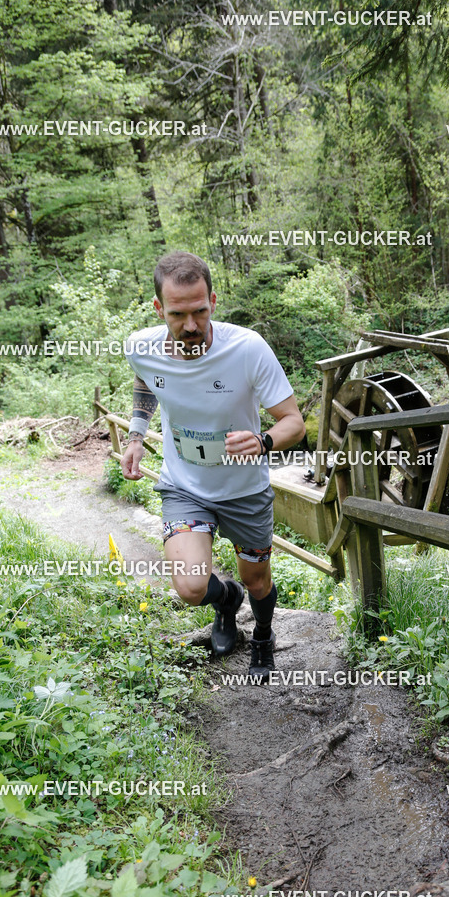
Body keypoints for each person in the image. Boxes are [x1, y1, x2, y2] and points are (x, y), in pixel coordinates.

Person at [121, 251, 305, 681]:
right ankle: (226, 602)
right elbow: (146, 379)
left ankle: (262, 634)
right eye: (178, 314)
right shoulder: (140, 346)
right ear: (158, 309)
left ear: (214, 302)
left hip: (243, 489)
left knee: (258, 581)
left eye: (200, 311)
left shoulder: (247, 347)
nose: (190, 326)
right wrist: (135, 434)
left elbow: (293, 423)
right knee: (189, 587)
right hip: (185, 485)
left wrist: (262, 441)